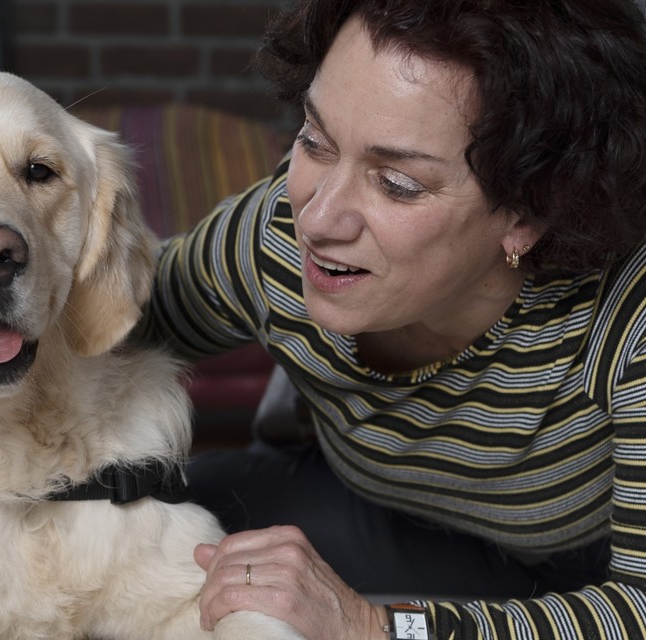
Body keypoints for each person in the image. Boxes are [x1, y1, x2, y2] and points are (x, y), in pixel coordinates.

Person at [135, 0, 646, 638]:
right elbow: (102, 328)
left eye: (397, 184)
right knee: (137, 517)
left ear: (527, 212)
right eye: (315, 142)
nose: (318, 219)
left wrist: (373, 626)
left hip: (590, 569)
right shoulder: (272, 239)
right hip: (378, 513)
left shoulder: (629, 317)